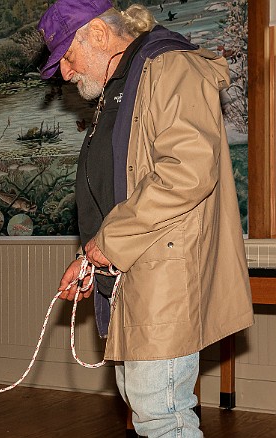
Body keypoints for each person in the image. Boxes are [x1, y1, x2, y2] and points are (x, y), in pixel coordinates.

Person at [37, 1, 254, 436]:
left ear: (97, 35)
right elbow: (122, 185)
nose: (64, 72)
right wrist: (91, 258)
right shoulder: (123, 82)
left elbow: (186, 171)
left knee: (162, 416)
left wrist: (108, 243)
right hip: (131, 271)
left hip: (164, 275)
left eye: (66, 56)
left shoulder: (171, 67)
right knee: (146, 409)